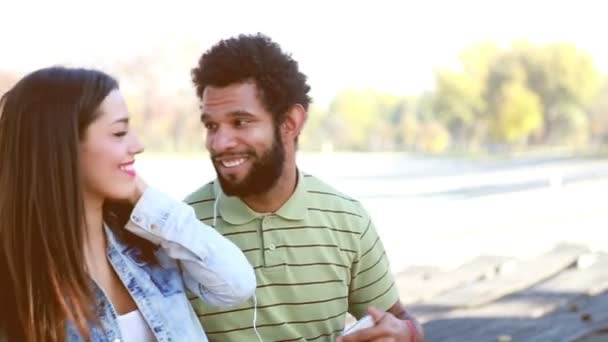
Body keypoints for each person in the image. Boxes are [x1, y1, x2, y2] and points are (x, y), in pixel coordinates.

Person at [186, 33, 425, 342]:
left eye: (240, 122)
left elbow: (399, 321)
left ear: (290, 122)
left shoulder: (347, 220)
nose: (219, 143)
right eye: (211, 126)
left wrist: (404, 332)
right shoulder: (181, 230)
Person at [0, 67, 256, 341]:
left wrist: (142, 196)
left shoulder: (148, 241)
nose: (138, 145)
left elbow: (236, 286)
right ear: (61, 146)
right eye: (119, 133)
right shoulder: (17, 277)